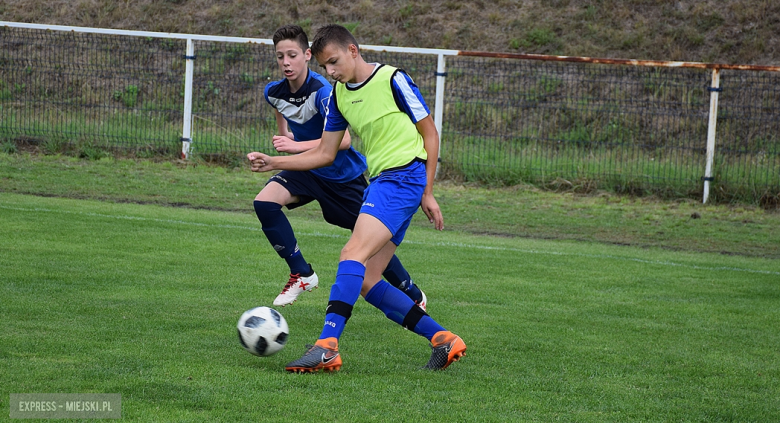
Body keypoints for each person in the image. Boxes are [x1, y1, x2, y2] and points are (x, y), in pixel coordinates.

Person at [248, 24, 466, 372]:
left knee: (351, 254)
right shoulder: (338, 95)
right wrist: (275, 162)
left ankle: (327, 346)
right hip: (383, 182)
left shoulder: (393, 79)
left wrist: (428, 190)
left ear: (353, 50)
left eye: (334, 62)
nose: (330, 72)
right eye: (324, 67)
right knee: (366, 279)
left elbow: (430, 133)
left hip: (403, 178)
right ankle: (443, 339)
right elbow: (324, 153)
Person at [253, 25, 427, 309]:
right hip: (308, 171)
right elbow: (283, 119)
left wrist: (293, 146)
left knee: (369, 244)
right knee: (264, 203)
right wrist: (282, 144)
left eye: (292, 55)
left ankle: (409, 290)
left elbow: (340, 143)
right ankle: (301, 273)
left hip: (341, 178)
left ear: (306, 55)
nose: (286, 62)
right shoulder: (273, 92)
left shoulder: (325, 91)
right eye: (280, 56)